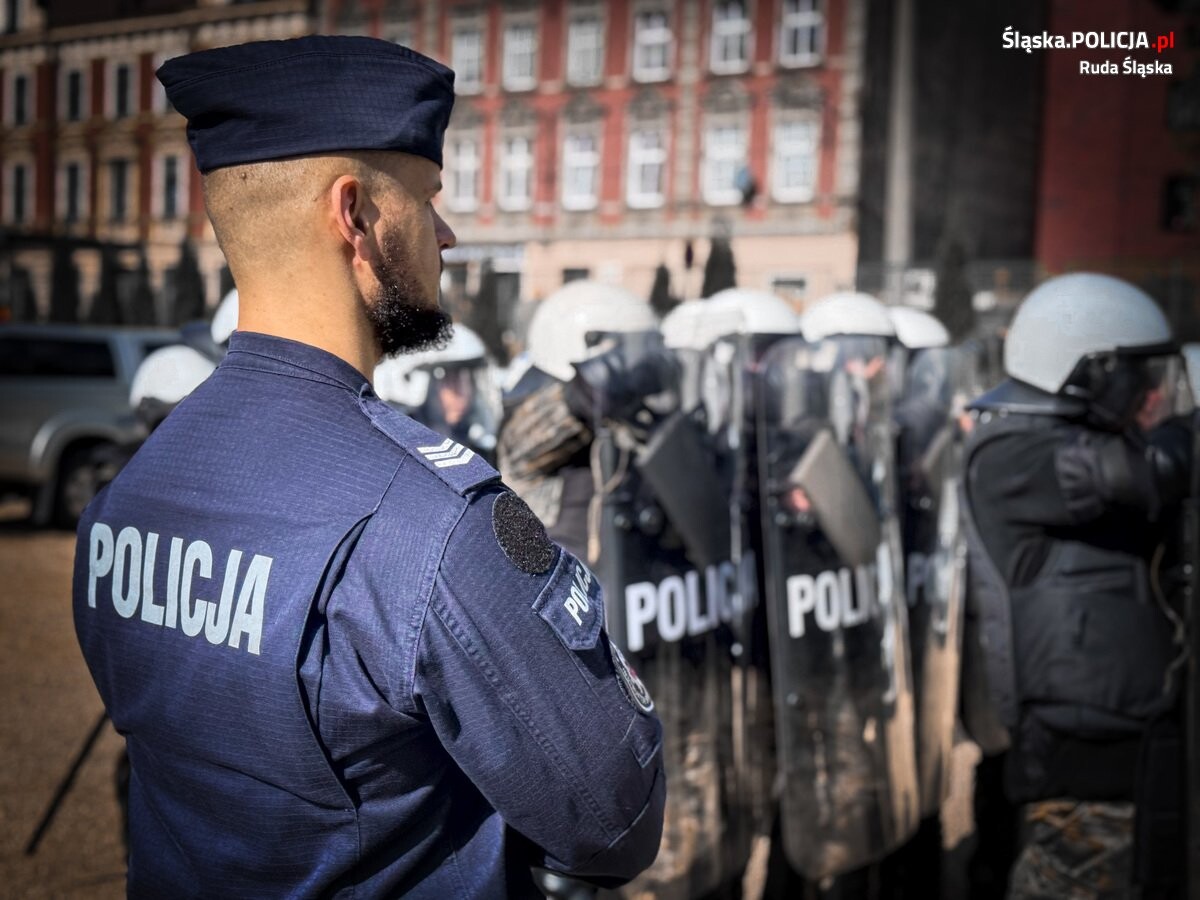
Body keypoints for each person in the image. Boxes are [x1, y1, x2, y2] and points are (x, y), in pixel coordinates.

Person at [72, 36, 665, 898]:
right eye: (426, 198)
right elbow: (614, 820)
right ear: (354, 216)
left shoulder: (129, 494)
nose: (448, 234)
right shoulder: (432, 523)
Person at [962, 272, 1191, 899]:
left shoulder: (1083, 442)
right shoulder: (1009, 451)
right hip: (1077, 765)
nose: (1154, 396)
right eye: (1140, 378)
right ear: (1092, 373)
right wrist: (1184, 433)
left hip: (1137, 748)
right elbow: (1147, 472)